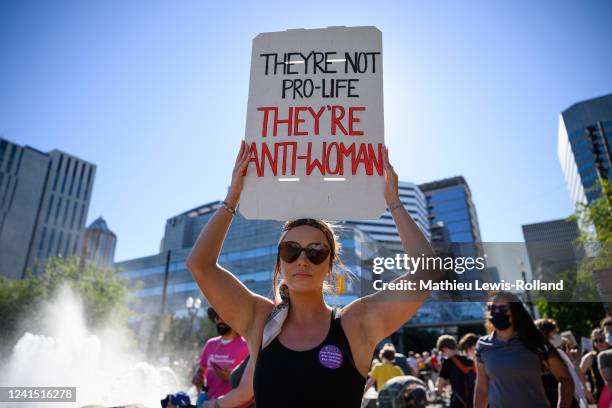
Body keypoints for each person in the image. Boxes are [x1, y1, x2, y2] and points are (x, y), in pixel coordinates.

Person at [186, 142, 438, 407]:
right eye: (290, 250)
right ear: (280, 261)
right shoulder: (259, 320)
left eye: (316, 251)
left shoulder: (355, 323)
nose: (302, 260)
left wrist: (394, 202)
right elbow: (200, 264)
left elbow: (427, 271)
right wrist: (233, 197)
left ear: (330, 264)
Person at [474, 291, 574, 408]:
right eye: (491, 308)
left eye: (502, 308)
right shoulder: (482, 345)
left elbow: (565, 379)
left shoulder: (534, 341)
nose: (496, 312)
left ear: (515, 312)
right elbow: (481, 389)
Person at [198, 307, 249, 402]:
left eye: (223, 316)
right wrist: (198, 378)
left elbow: (251, 383)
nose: (219, 320)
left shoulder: (246, 345)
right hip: (210, 403)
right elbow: (201, 371)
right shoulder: (210, 344)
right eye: (216, 317)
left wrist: (231, 377)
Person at [535, 318, 587, 408]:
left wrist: (571, 360)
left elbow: (573, 376)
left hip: (566, 400)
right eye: (554, 332)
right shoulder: (536, 356)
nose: (556, 336)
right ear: (545, 333)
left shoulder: (559, 352)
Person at [435, 335, 476, 408]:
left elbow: (440, 383)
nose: (443, 354)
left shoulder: (448, 363)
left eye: (442, 352)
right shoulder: (470, 361)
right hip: (474, 400)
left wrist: (438, 392)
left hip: (458, 402)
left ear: (445, 349)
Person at [580, 328, 610, 404]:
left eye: (601, 340)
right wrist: (586, 390)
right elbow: (580, 372)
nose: (598, 343)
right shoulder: (591, 357)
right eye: (595, 340)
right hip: (602, 395)